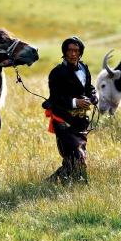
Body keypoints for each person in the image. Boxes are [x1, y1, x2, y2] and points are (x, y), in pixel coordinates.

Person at [44, 36, 98, 185]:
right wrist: (75, 102)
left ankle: (53, 182)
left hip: (80, 123)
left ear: (80, 52)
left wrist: (94, 95)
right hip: (63, 122)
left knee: (71, 160)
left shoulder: (84, 69)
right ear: (64, 52)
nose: (73, 54)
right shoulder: (57, 72)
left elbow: (89, 88)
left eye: (76, 51)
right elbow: (55, 98)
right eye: (69, 51)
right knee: (77, 156)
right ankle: (81, 186)